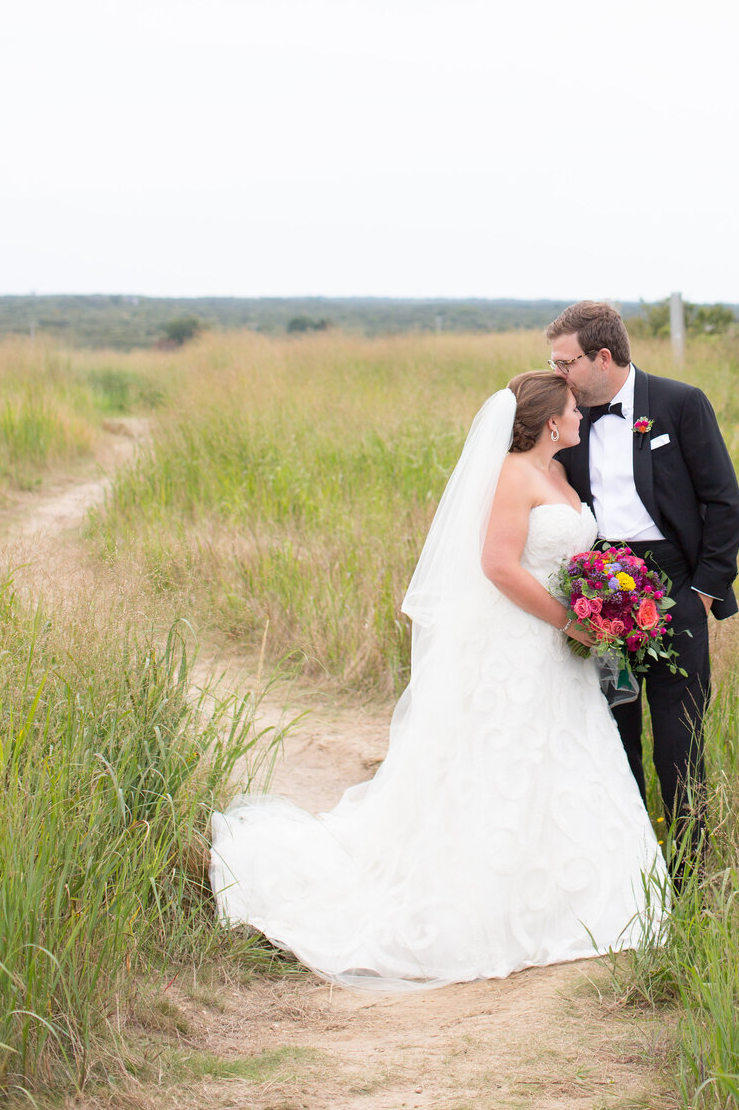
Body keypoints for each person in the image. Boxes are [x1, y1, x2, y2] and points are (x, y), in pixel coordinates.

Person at [209, 371, 667, 989]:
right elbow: (499, 566)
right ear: (550, 420)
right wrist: (573, 620)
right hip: (519, 642)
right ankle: (488, 904)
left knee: (566, 760)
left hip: (562, 652)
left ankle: (583, 901)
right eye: (572, 410)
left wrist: (599, 604)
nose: (582, 417)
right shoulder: (510, 474)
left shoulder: (559, 474)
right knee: (502, 762)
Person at [547, 301, 739, 860]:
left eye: (566, 363)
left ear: (602, 356)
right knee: (614, 737)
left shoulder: (680, 404)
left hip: (676, 588)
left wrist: (702, 593)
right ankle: (632, 874)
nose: (557, 374)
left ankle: (690, 880)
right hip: (598, 596)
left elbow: (723, 504)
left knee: (681, 745)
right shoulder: (566, 415)